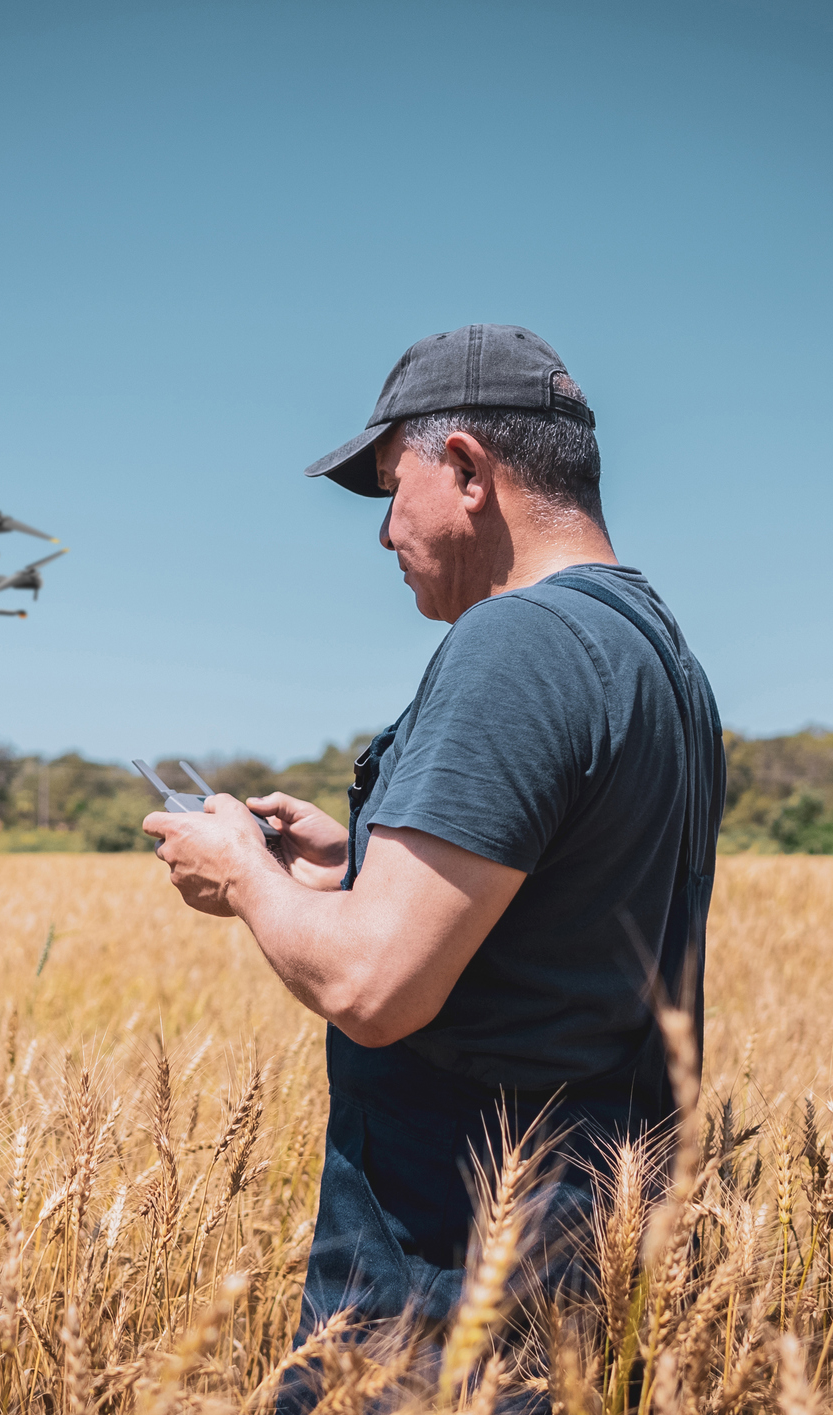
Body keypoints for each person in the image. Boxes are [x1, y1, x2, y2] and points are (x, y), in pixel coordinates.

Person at [142, 324, 724, 1400]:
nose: (382, 534)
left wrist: (243, 872)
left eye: (386, 488)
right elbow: (552, 922)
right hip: (582, 1266)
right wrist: (346, 861)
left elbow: (375, 985)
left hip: (446, 1293)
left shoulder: (516, 643)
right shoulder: (651, 648)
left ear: (463, 468)